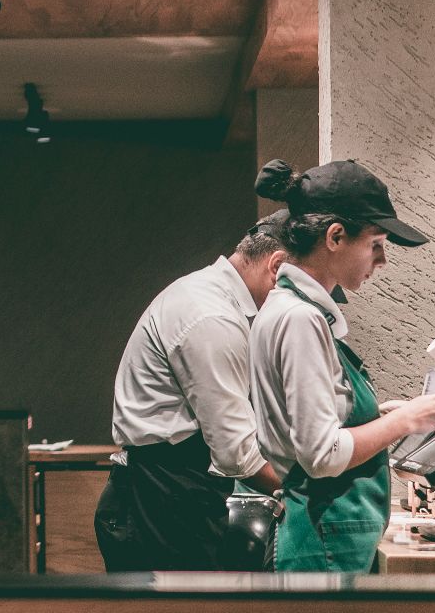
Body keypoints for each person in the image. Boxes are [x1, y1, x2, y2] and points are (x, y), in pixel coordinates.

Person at [249, 159, 435, 572]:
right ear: (335, 236)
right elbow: (322, 455)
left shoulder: (287, 308)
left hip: (322, 536)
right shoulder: (301, 318)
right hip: (323, 539)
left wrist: (375, 414)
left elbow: (306, 423)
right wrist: (405, 421)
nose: (382, 260)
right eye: (376, 244)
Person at [93, 211, 291, 571]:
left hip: (167, 493)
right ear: (276, 266)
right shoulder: (212, 316)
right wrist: (305, 493)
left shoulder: (208, 296)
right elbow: (237, 454)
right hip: (162, 501)